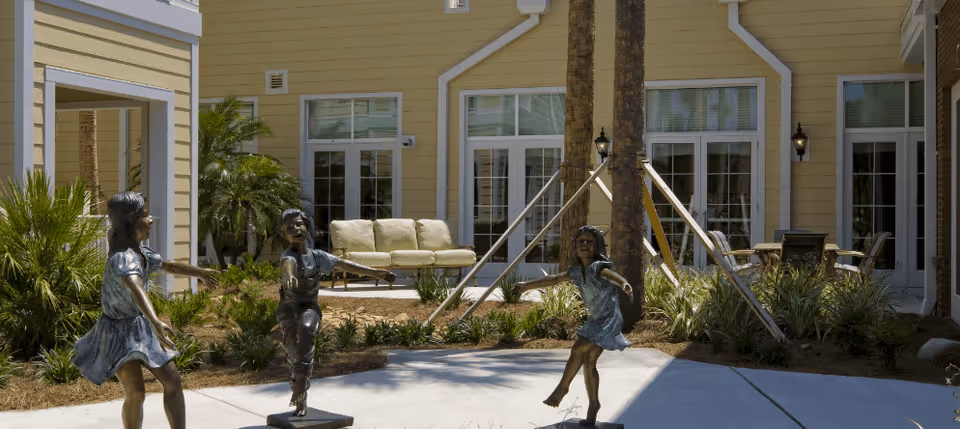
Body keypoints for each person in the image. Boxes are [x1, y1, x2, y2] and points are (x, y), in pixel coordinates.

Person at [73, 192, 220, 429]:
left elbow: (169, 265)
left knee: (173, 382)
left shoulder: (143, 253)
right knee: (136, 393)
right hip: (118, 333)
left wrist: (201, 273)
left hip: (141, 327)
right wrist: (155, 320)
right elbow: (135, 287)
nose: (150, 220)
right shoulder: (123, 259)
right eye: (144, 215)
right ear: (132, 221)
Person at [276, 209, 396, 416]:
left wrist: (377, 273)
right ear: (284, 234)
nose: (296, 229)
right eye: (290, 227)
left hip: (309, 307)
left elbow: (345, 264)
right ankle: (297, 390)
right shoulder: (288, 256)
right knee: (294, 354)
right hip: (288, 309)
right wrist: (288, 277)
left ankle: (300, 395)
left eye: (299, 224)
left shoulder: (318, 257)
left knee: (306, 333)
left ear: (307, 227)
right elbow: (288, 266)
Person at [512, 225, 633, 426]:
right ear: (575, 246)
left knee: (579, 348)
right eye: (581, 241)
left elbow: (614, 277)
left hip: (609, 318)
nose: (585, 245)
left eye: (589, 241)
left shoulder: (598, 267)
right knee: (589, 361)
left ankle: (562, 388)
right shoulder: (577, 271)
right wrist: (526, 286)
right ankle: (594, 405)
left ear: (597, 246)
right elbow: (554, 279)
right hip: (596, 319)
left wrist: (624, 284)